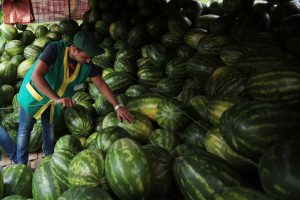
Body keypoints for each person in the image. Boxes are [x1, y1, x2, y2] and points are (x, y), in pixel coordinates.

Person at [16, 30, 134, 165]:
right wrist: (56, 99)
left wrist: (117, 106)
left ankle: (49, 158)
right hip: (34, 95)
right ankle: (21, 164)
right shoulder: (54, 49)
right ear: (74, 49)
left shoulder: (87, 65)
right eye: (86, 57)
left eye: (90, 57)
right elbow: (36, 76)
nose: (89, 60)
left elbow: (101, 85)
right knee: (25, 130)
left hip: (53, 101)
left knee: (49, 127)